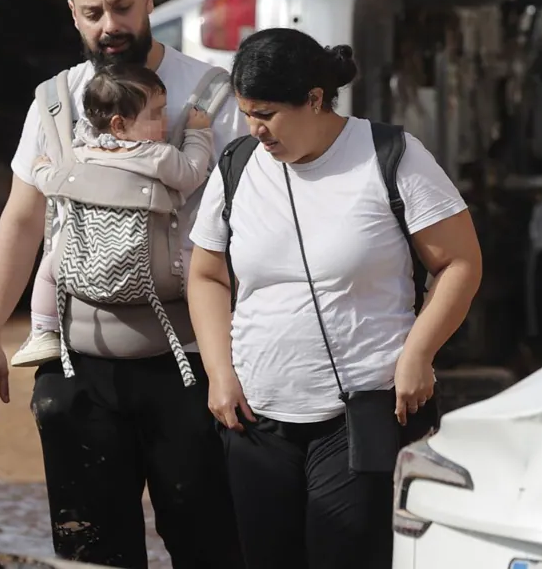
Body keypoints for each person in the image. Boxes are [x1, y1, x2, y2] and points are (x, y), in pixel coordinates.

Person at [0, 0, 246, 568]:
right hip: (78, 369)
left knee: (212, 547)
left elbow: (254, 225)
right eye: (93, 14)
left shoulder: (209, 97)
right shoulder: (54, 102)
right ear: (73, 14)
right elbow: (21, 219)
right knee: (90, 553)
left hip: (191, 363)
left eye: (122, 7)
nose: (110, 26)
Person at [185, 28, 483, 569]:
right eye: (249, 113)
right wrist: (219, 373)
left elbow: (458, 262)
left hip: (361, 414)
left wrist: (418, 353)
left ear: (315, 100)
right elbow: (206, 274)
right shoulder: (237, 165)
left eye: (268, 114)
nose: (256, 129)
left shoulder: (391, 154)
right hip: (256, 418)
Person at [11, 62, 214, 371]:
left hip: (84, 269)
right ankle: (216, 326)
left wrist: (39, 167)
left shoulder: (81, 154)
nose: (166, 119)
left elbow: (51, 183)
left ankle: (43, 329)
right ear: (119, 125)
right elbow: (192, 173)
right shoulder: (158, 156)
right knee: (201, 273)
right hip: (154, 270)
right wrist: (198, 134)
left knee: (50, 265)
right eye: (157, 113)